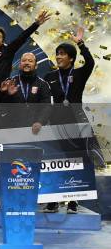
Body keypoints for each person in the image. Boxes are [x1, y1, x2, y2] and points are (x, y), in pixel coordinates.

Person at [43, 27, 94, 214]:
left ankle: (73, 200)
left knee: (77, 161)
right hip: (55, 124)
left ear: (71, 58)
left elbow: (90, 62)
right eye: (57, 54)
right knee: (55, 161)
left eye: (62, 54)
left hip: (76, 123)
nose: (58, 57)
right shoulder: (49, 77)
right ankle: (54, 199)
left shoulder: (80, 74)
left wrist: (81, 43)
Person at [0, 52, 52, 134]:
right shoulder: (10, 82)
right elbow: (1, 108)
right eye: (24, 60)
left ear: (36, 65)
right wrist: (6, 94)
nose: (27, 63)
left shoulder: (43, 84)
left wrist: (40, 122)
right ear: (20, 65)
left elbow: (46, 106)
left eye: (30, 61)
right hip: (11, 129)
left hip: (34, 129)